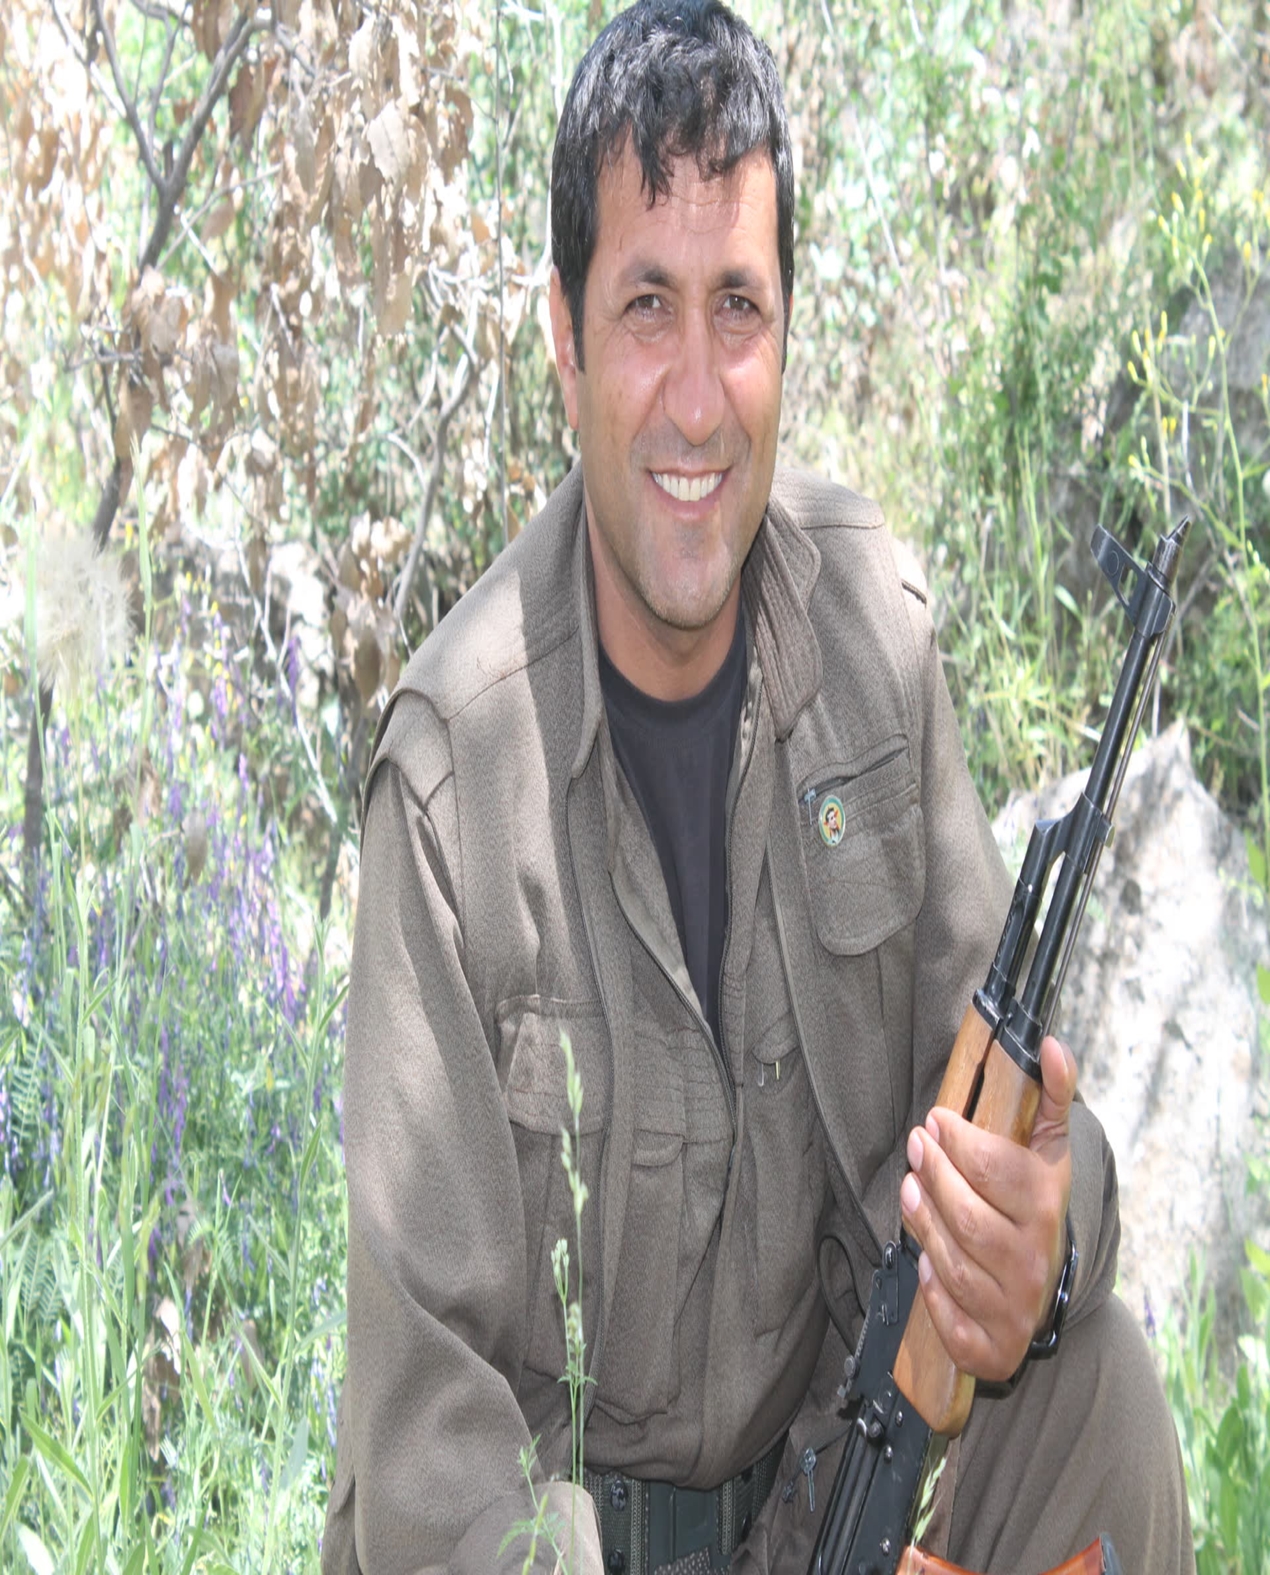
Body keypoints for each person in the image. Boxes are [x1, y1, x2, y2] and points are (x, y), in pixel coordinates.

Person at [322, 4, 1193, 1573]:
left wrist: (1038, 1239)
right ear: (563, 335)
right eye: (644, 308)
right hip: (555, 1551)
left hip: (822, 1503)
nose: (696, 396)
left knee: (1100, 1397)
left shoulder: (868, 640)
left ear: (787, 330)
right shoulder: (455, 778)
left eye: (736, 307)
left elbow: (1010, 1132)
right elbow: (425, 1464)